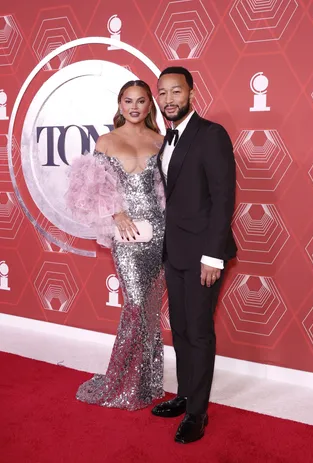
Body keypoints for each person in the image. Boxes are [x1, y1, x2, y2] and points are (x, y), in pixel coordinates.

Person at [66, 80, 166, 411]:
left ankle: (147, 383)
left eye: (141, 101)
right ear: (120, 105)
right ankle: (120, 381)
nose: (134, 107)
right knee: (136, 304)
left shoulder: (160, 141)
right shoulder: (107, 141)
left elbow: (169, 187)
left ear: (149, 106)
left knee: (151, 307)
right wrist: (116, 211)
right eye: (128, 101)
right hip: (126, 233)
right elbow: (90, 187)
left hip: (159, 230)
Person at [151, 67, 237, 443]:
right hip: (175, 252)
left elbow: (222, 199)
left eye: (176, 92)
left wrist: (213, 257)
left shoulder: (211, 134)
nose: (169, 99)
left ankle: (197, 414)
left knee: (199, 332)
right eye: (163, 93)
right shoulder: (165, 139)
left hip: (204, 254)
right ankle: (185, 395)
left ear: (191, 93)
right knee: (182, 329)